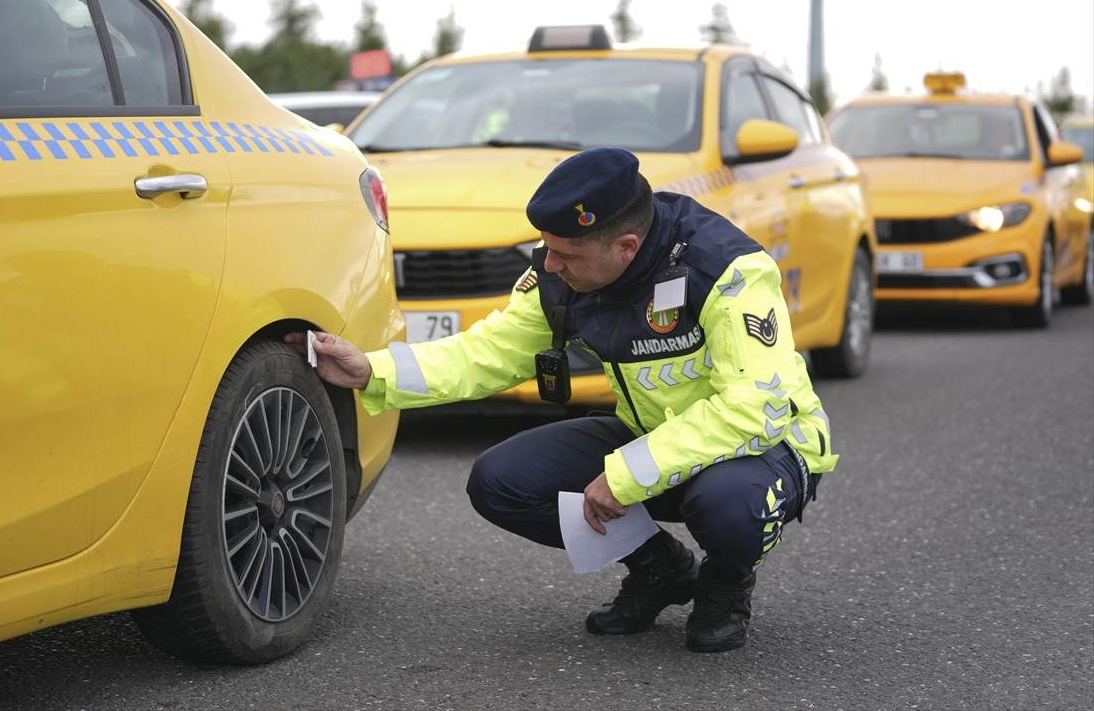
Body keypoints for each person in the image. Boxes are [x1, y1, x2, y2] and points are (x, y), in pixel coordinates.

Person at [286, 147, 837, 653]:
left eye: (564, 255)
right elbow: (490, 352)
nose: (549, 266)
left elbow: (750, 409)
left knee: (726, 507)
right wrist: (372, 371)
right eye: (548, 250)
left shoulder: (728, 270)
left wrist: (626, 474)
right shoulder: (565, 271)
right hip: (654, 438)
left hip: (764, 447)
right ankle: (660, 568)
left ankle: (726, 581)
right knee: (501, 481)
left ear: (625, 247)